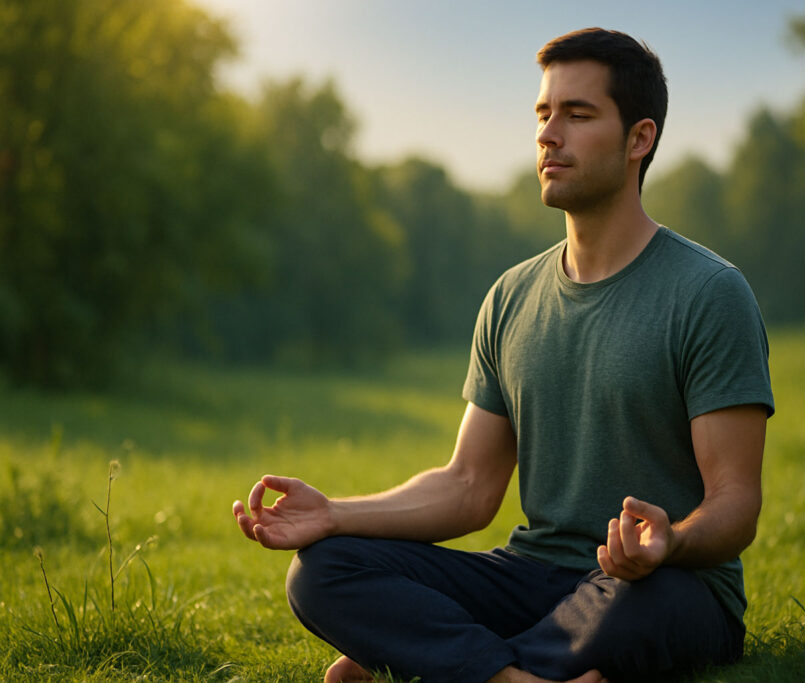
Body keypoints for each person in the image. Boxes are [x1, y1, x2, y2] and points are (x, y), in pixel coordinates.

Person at [233, 27, 773, 683]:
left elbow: (735, 502)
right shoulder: (512, 296)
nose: (549, 135)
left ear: (640, 138)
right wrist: (333, 514)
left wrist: (670, 541)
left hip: (660, 584)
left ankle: (449, 662)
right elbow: (468, 486)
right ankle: (515, 673)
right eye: (543, 114)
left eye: (577, 114)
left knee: (645, 605)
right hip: (529, 574)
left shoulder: (708, 292)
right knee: (325, 568)